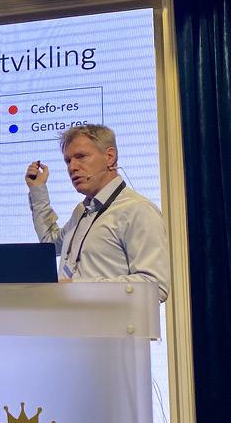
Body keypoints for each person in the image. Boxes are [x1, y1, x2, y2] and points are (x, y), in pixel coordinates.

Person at [25, 124, 170, 302]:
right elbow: (51, 243)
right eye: (68, 161)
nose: (72, 167)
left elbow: (155, 286)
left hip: (111, 320)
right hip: (68, 318)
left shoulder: (137, 210)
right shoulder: (81, 211)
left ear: (109, 157)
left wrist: (78, 287)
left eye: (81, 156)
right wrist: (38, 190)